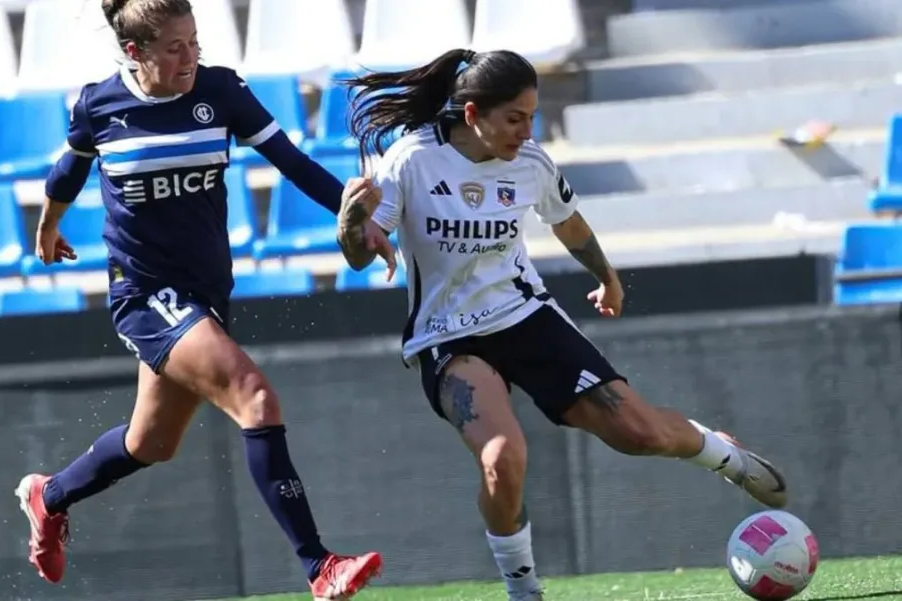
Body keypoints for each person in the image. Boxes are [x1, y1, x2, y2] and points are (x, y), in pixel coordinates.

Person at [334, 48, 788, 601]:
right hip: (448, 335)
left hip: (526, 317)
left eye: (532, 117)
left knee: (639, 434)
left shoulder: (532, 164)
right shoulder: (410, 161)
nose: (526, 132)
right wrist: (351, 224)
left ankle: (723, 453)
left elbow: (568, 224)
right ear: (473, 114)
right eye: (514, 119)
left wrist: (608, 276)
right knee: (502, 455)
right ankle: (524, 589)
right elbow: (360, 255)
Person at [15, 1, 392, 598]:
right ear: (135, 52)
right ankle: (319, 566)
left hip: (204, 293)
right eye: (174, 48)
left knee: (151, 444)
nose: (190, 57)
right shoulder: (100, 104)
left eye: (195, 43)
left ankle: (50, 495)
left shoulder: (219, 91)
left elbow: (292, 162)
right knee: (256, 397)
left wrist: (356, 219)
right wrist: (48, 224)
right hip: (143, 293)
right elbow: (70, 168)